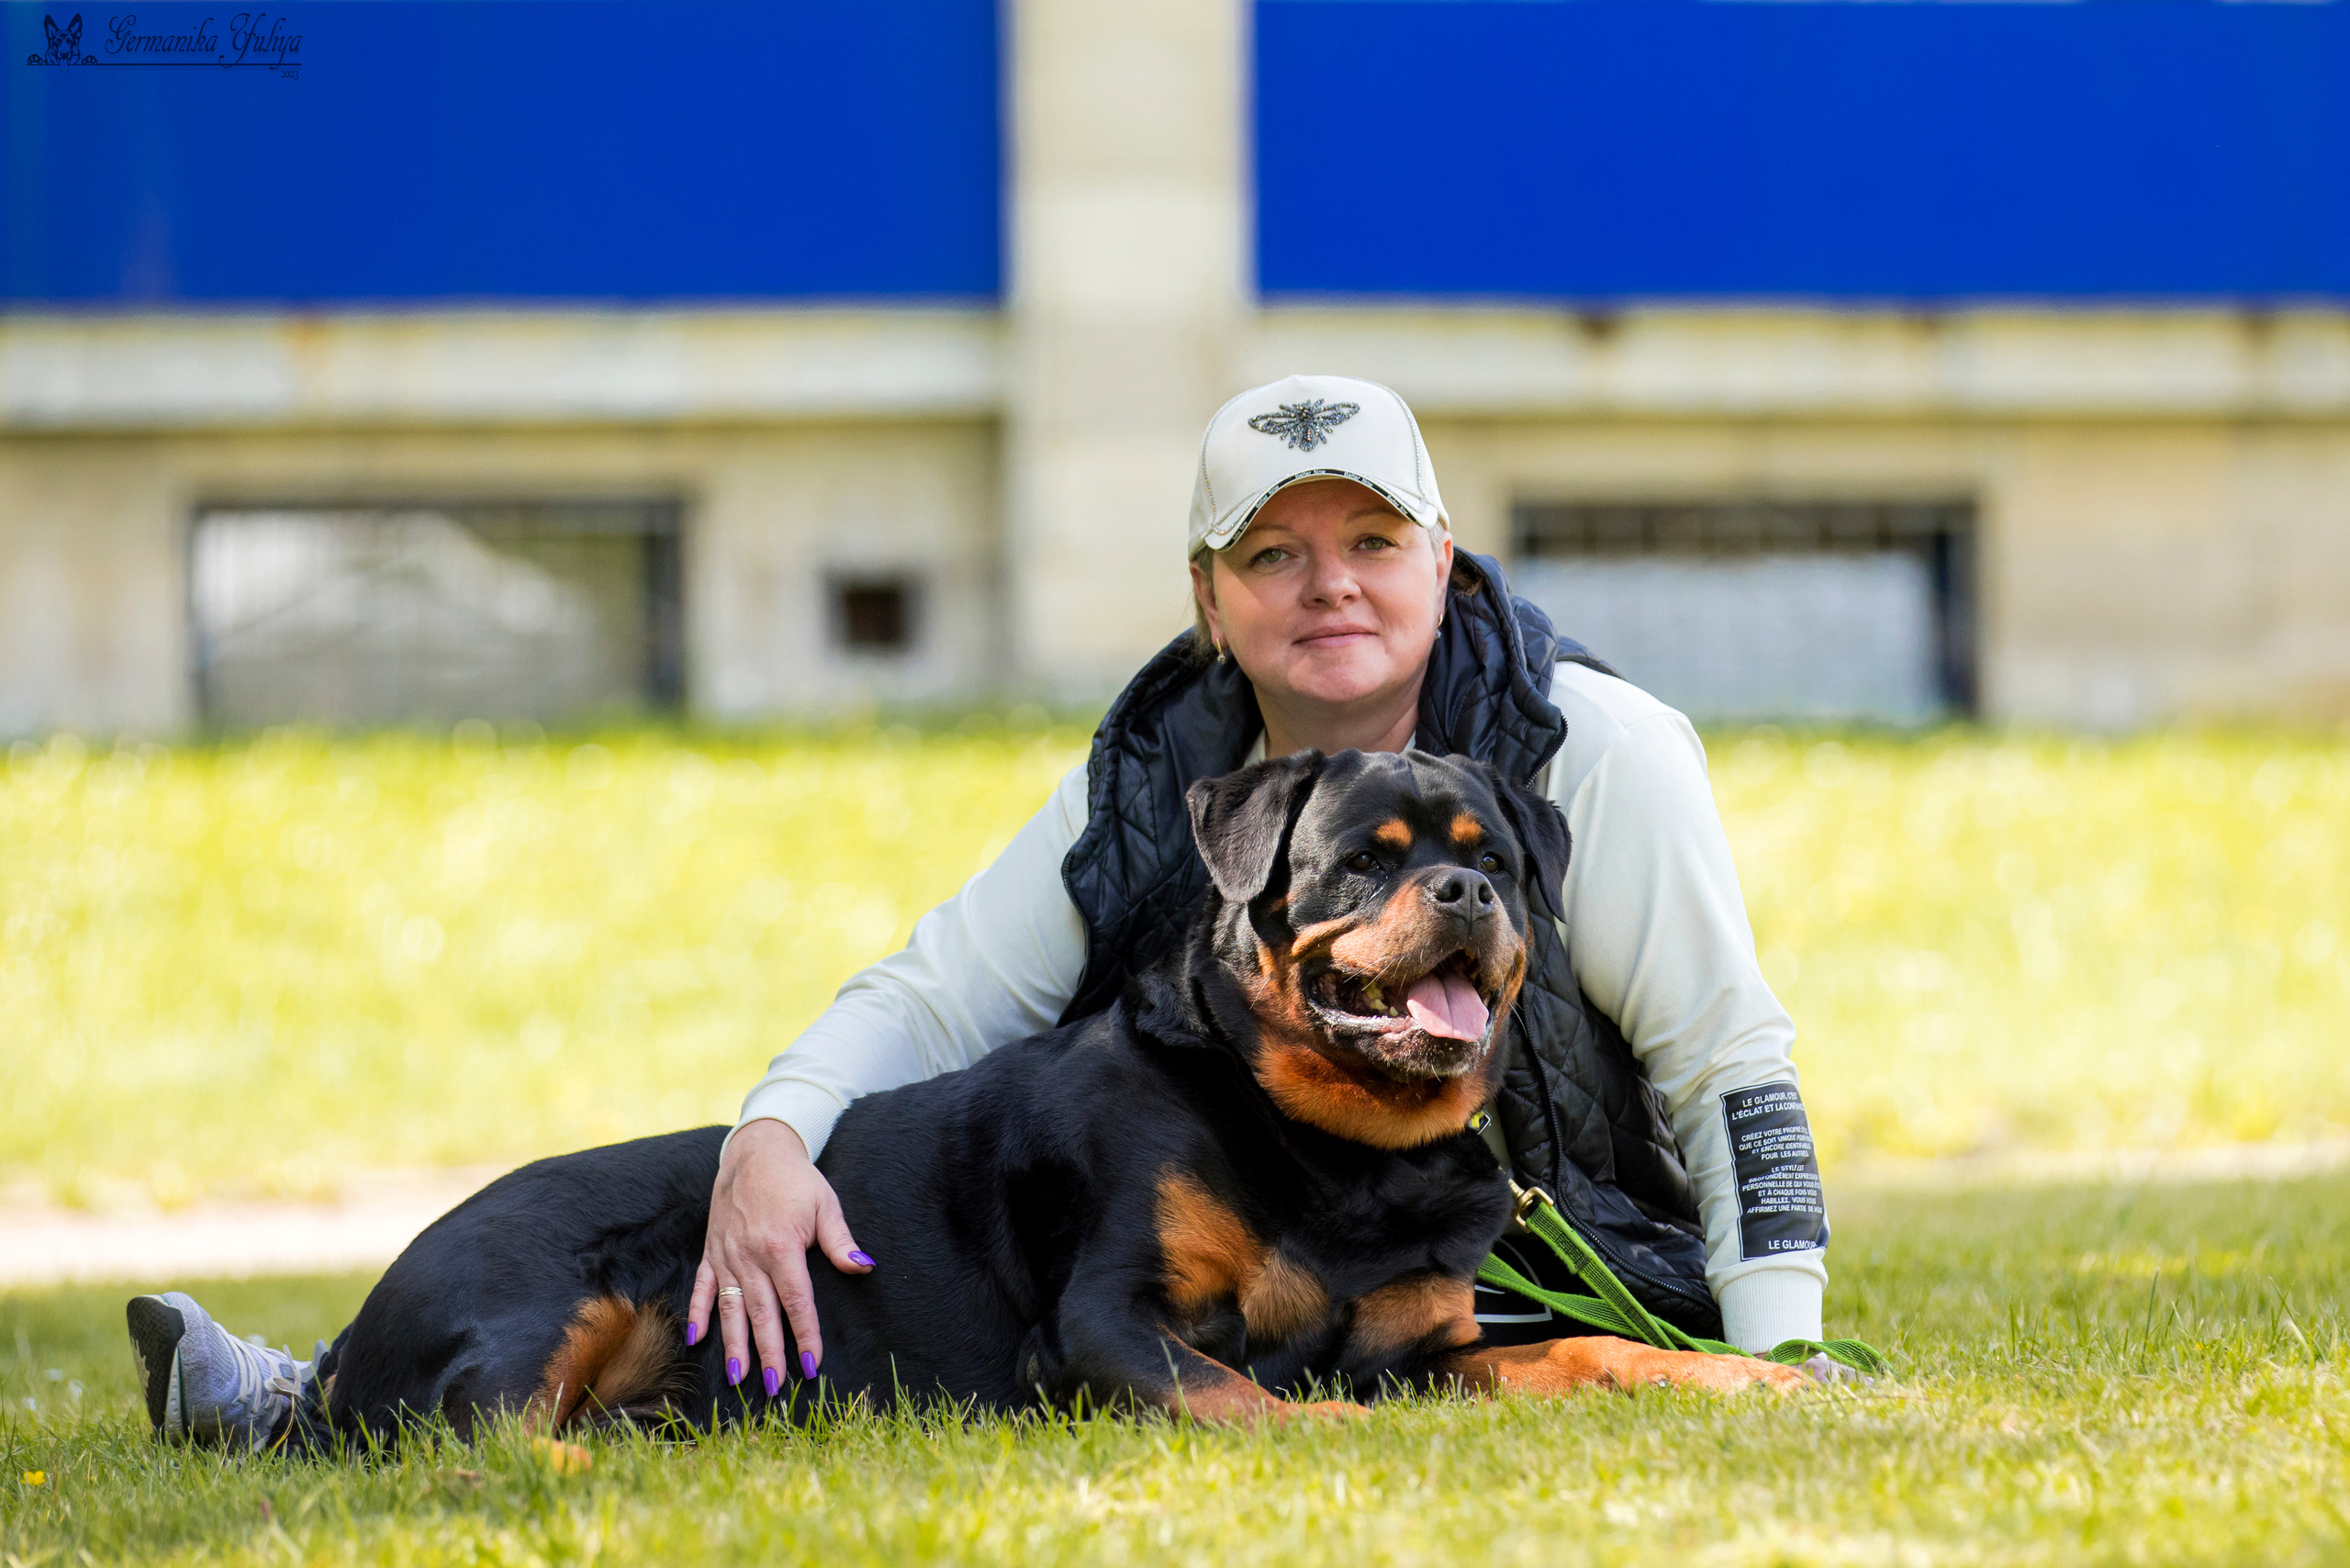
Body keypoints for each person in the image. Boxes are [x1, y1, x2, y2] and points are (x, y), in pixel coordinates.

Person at [131, 374, 1833, 1449]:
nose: (1330, 584)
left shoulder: (1597, 750)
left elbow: (1730, 1063)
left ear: (1443, 563)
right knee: (611, 1264)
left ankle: (304, 1401)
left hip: (1529, 1250)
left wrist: (1785, 1348)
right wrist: (773, 1133)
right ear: (1209, 597)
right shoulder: (1151, 780)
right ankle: (304, 1397)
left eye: (1374, 541)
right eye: (1274, 554)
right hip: (1262, 1227)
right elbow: (942, 994)